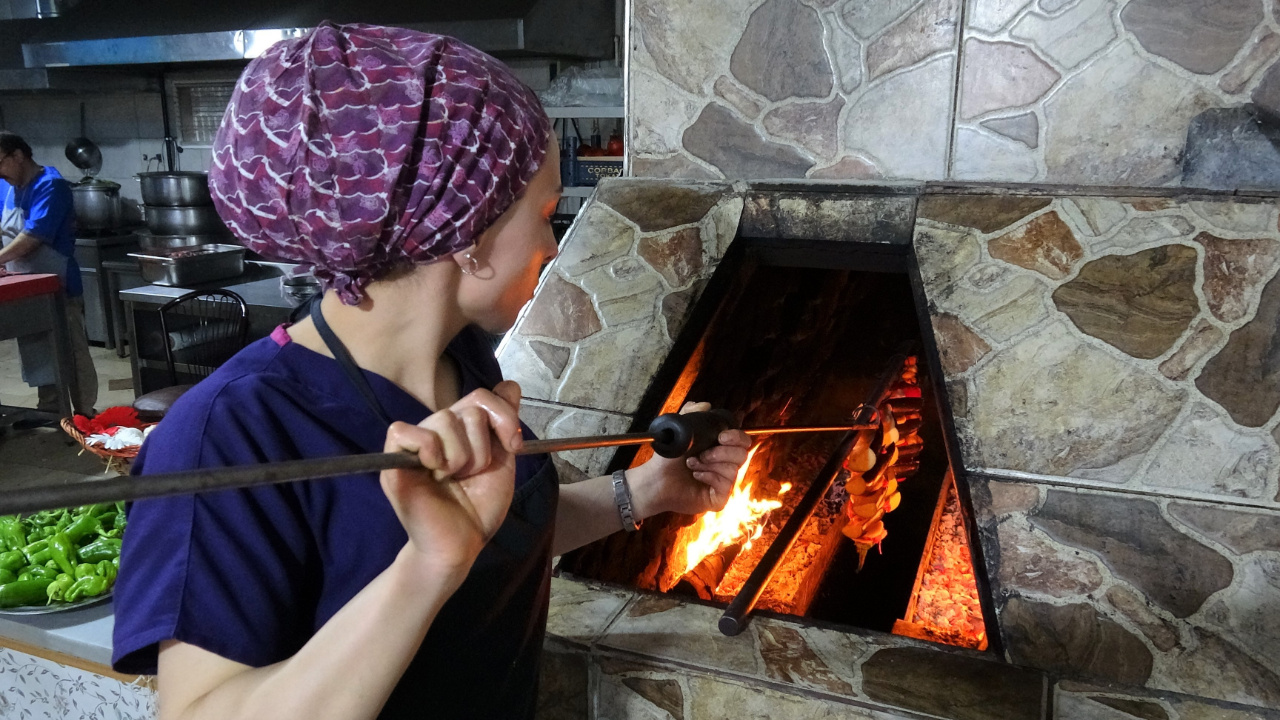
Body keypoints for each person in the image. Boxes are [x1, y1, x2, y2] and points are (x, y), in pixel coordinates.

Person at [111, 23, 751, 720]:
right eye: (543, 213)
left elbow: (497, 538)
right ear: (467, 233)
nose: (551, 245)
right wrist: (423, 569)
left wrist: (641, 493)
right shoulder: (230, 432)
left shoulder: (465, 360)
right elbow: (202, 712)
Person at [0, 131, 98, 417]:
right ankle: (51, 409)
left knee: (70, 349)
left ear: (18, 156)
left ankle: (83, 412)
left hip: (56, 285)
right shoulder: (9, 187)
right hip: (23, 282)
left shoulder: (51, 185)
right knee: (38, 348)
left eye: (0, 163)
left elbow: (34, 236)